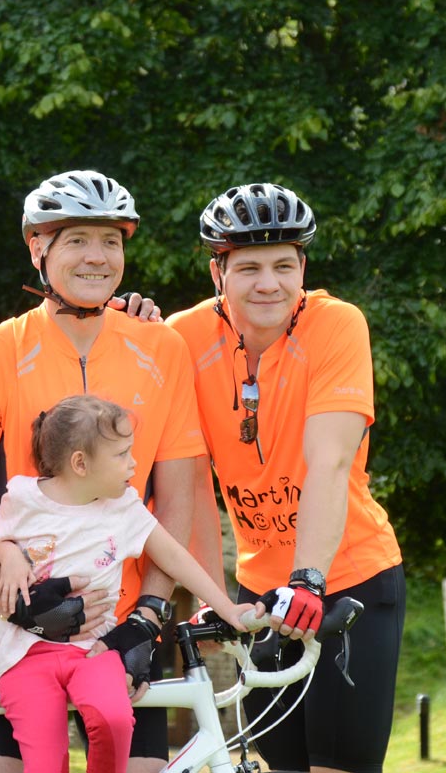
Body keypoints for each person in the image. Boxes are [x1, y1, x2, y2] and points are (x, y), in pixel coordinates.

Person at [0, 169, 208, 773]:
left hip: (121, 629)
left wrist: (148, 616)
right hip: (10, 631)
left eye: (110, 240)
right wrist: (18, 608)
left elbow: (176, 498)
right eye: (77, 239)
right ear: (38, 247)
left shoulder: (161, 347)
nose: (97, 256)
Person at [165, 182, 406, 773]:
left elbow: (329, 462)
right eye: (248, 267)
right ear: (217, 271)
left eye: (283, 265)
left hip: (349, 580)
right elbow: (190, 484)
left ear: (304, 267)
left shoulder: (337, 325)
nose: (268, 283)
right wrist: (213, 598)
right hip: (259, 590)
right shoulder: (182, 337)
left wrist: (309, 579)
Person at [0, 395, 256, 773]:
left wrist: (226, 608)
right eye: (121, 455)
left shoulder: (124, 506)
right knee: (45, 761)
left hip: (95, 649)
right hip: (26, 652)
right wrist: (9, 555)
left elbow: (174, 556)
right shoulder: (25, 496)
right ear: (80, 463)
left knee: (113, 719)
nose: (134, 464)